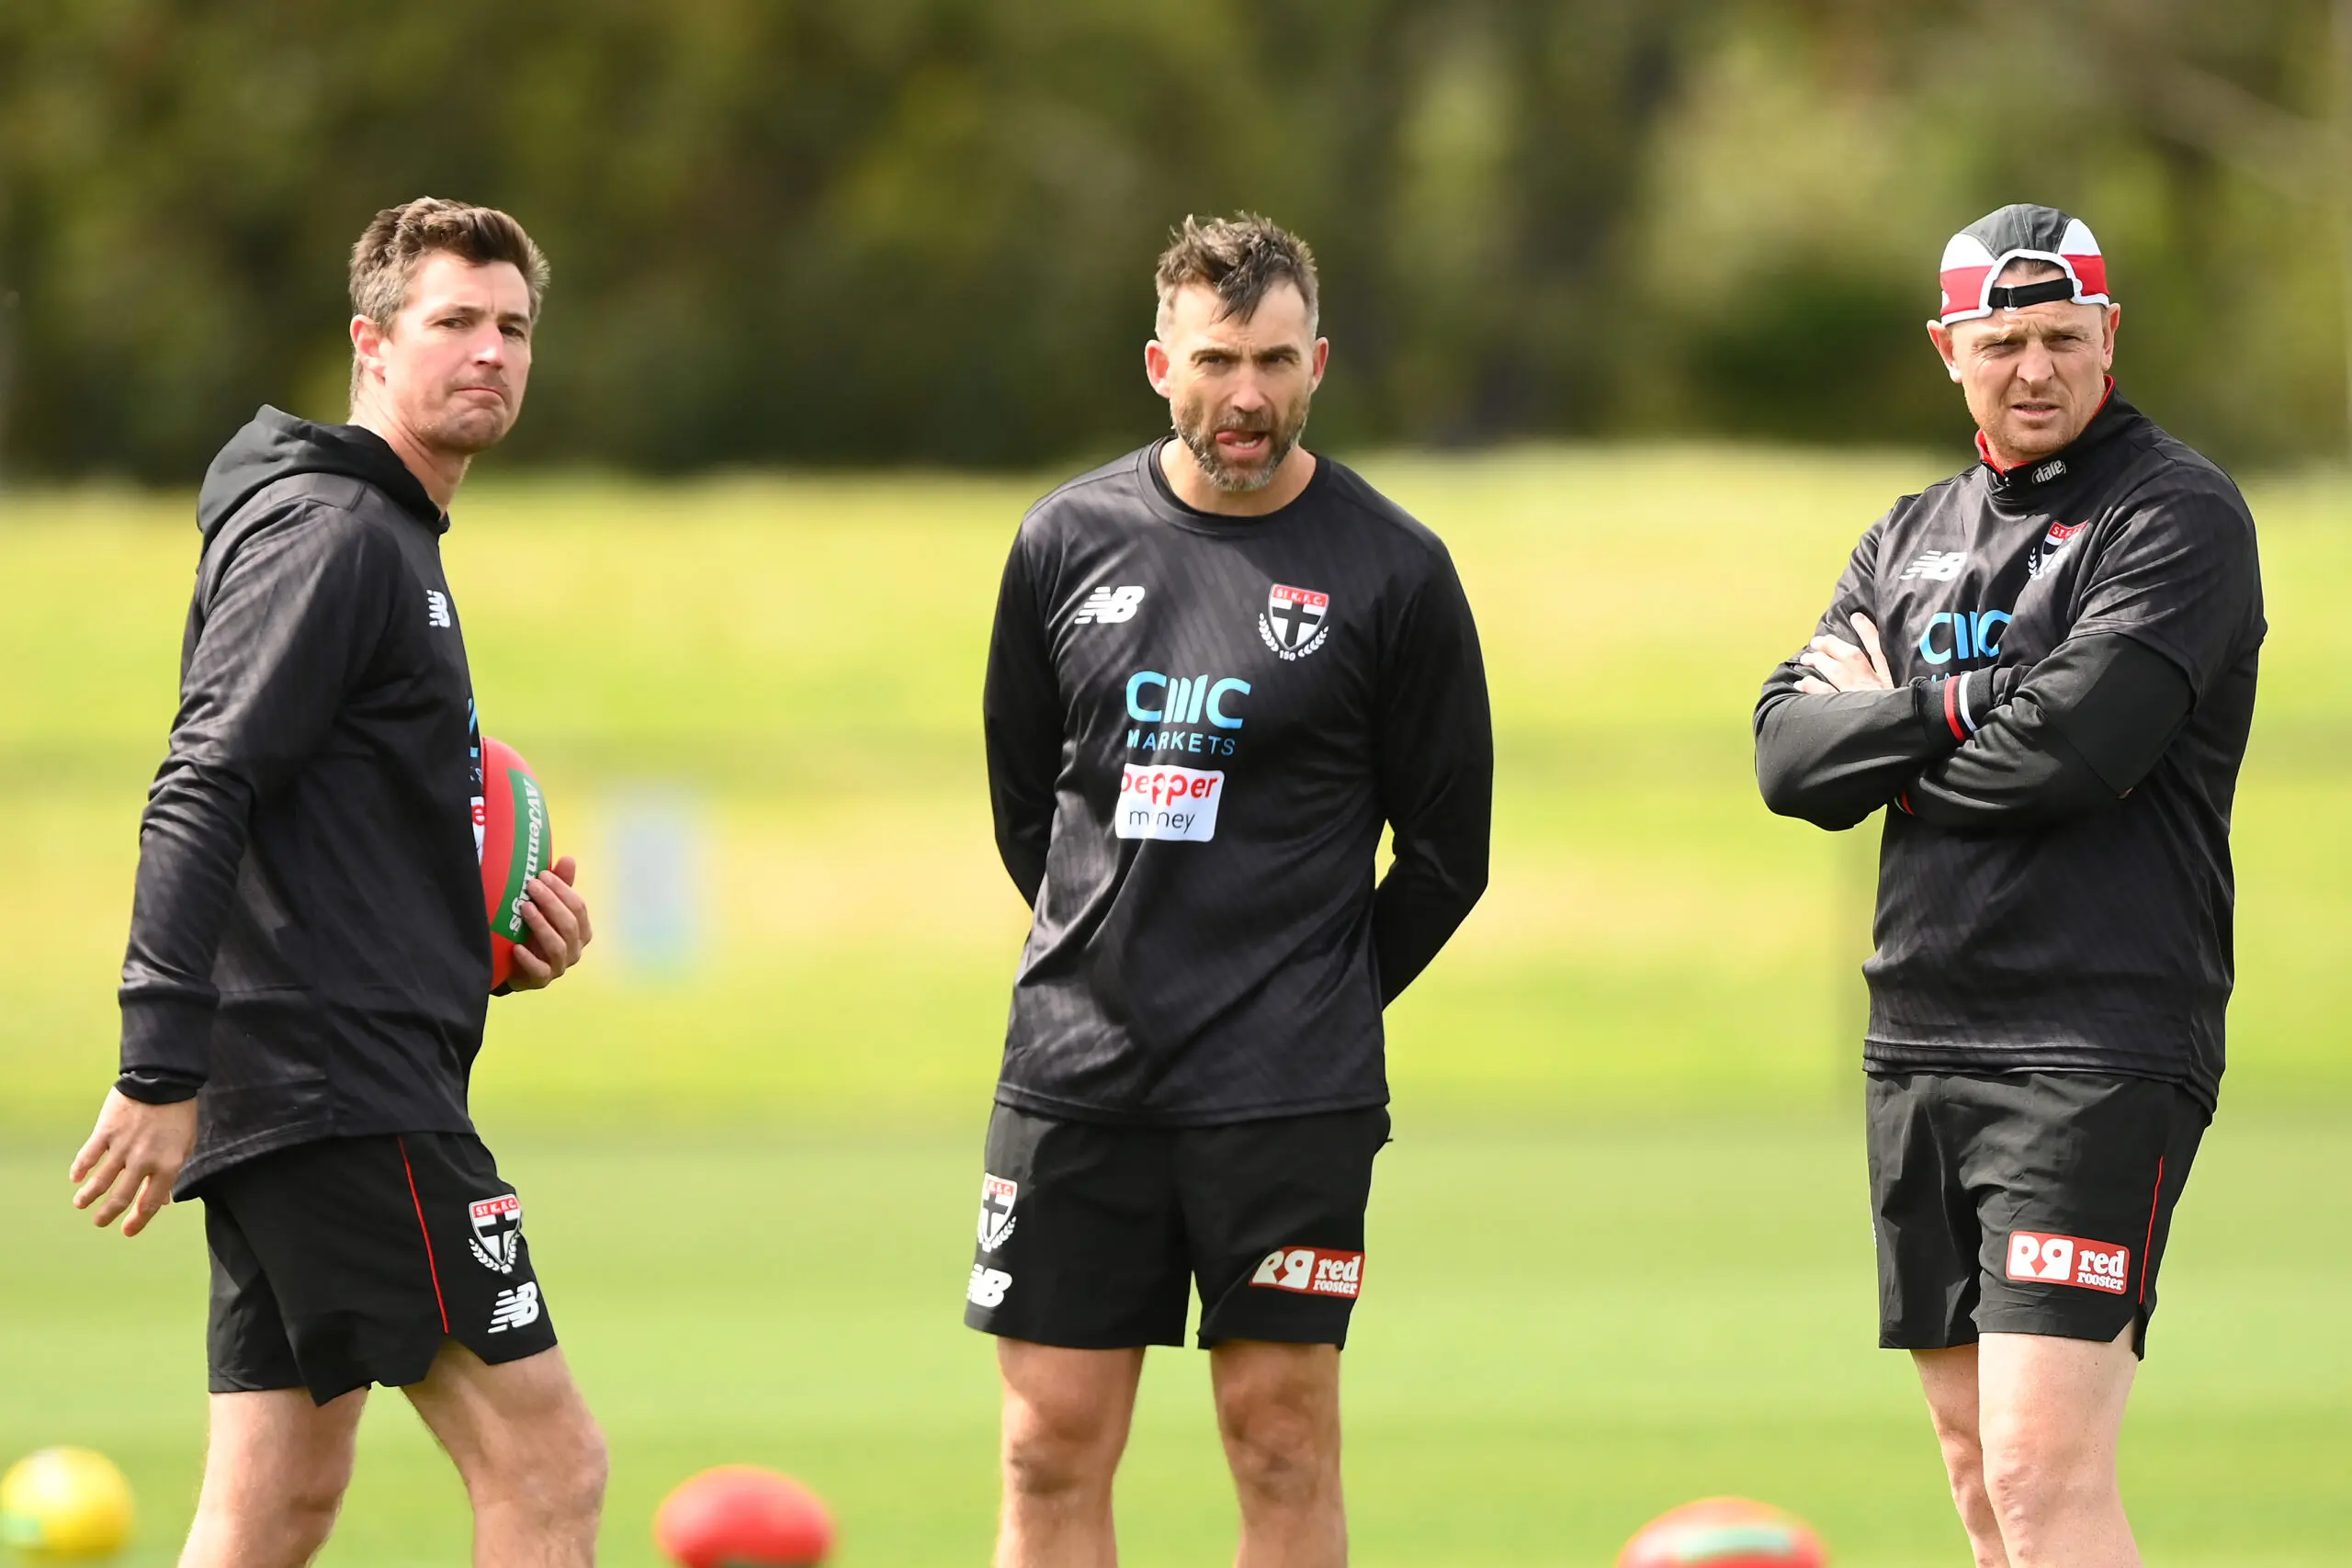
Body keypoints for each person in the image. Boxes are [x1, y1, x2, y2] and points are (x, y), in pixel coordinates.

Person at [68, 197, 608, 1568]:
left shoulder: (394, 540)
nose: (489, 351)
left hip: (313, 1075)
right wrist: (154, 1062)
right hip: (337, 1084)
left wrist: (490, 933)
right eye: (454, 323)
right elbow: (205, 780)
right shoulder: (338, 536)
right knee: (548, 1463)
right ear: (372, 345)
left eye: (512, 327)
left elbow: (334, 832)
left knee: (274, 1504)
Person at [971, 214, 1493, 1568]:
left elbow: (1447, 855)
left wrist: (1314, 986)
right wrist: (1114, 950)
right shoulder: (1061, 541)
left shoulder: (1397, 569)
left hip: (1288, 1094)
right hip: (1080, 1075)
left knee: (1278, 1438)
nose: (1245, 395)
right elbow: (1031, 810)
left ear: (1319, 360)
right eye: (1216, 360)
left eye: (1273, 359)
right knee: (1047, 1444)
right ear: (1161, 364)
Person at [1754, 204, 2264, 1568]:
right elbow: (1788, 757)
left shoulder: (2178, 515)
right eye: (2002, 342)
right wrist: (1980, 705)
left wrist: (1899, 734)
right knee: (1983, 1481)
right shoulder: (1907, 535)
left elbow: (2077, 756)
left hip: (2093, 1042)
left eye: (2059, 337)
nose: (2033, 368)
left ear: (2110, 336)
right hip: (1921, 1037)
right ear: (1949, 351)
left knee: (2044, 1472)